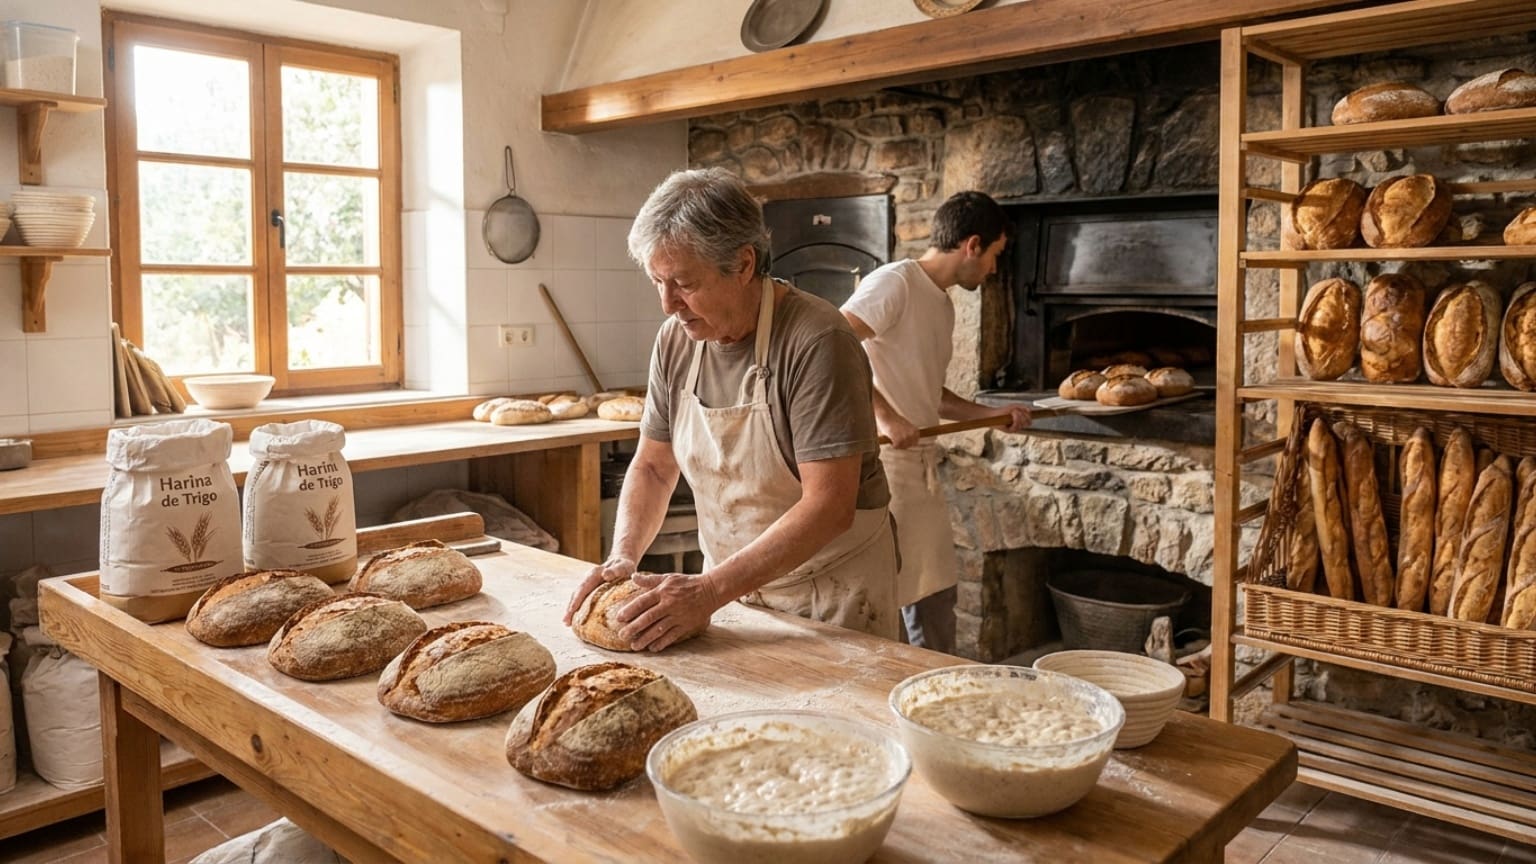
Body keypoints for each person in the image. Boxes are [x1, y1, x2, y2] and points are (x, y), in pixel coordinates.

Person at [562, 167, 900, 649]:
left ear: (743, 265)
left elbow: (829, 506)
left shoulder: (817, 341)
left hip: (831, 596)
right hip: (731, 592)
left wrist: (708, 591)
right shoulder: (677, 340)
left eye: (683, 283)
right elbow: (654, 467)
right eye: (657, 281)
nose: (668, 304)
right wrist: (623, 556)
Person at [840, 191, 1030, 653]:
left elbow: (931, 394)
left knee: (936, 593)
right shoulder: (896, 283)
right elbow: (834, 346)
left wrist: (991, 415)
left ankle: (936, 683)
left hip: (921, 469)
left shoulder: (941, 305)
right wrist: (886, 416)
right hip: (883, 468)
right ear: (972, 245)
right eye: (994, 255)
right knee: (891, 599)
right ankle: (892, 688)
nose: (994, 269)